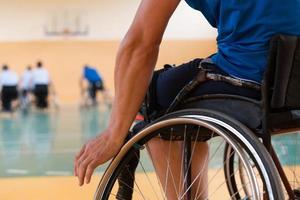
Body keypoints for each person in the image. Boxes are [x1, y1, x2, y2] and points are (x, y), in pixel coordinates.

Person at [74, 0, 300, 199]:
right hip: (294, 81)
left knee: (152, 96)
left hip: (250, 76)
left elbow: (141, 41)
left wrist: (115, 133)